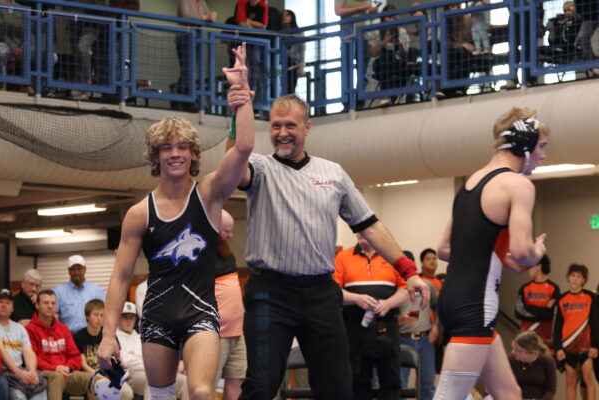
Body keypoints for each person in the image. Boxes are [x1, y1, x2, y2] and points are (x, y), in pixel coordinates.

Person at [226, 89, 429, 400]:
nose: (282, 133)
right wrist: (238, 110)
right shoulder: (261, 167)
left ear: (307, 127)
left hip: (321, 294)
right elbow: (234, 166)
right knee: (261, 386)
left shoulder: (332, 173)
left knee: (337, 388)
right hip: (271, 294)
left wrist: (409, 270)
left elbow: (370, 226)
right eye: (276, 126)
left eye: (290, 126)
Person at [97, 42, 254, 400]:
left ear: (193, 153)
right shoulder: (139, 213)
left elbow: (243, 148)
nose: (175, 154)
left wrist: (241, 94)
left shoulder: (210, 194)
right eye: (166, 148)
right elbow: (121, 276)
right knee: (163, 394)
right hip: (156, 316)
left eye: (182, 147)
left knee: (200, 391)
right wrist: (108, 336)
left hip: (201, 312)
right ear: (155, 156)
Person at [435, 107, 549, 400]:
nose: (543, 156)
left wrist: (500, 257)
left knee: (509, 394)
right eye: (541, 147)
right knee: (449, 396)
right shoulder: (518, 185)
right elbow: (524, 252)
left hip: (454, 299)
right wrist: (537, 252)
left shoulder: (470, 184)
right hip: (476, 305)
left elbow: (445, 250)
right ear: (524, 144)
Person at [334, 233, 409, 400]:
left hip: (387, 325)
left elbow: (407, 288)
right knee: (357, 379)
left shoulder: (392, 255)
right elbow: (334, 291)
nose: (362, 236)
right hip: (354, 326)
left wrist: (389, 303)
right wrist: (356, 298)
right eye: (359, 233)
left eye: (366, 233)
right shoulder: (342, 257)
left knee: (391, 379)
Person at [25, 289, 97, 400]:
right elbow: (33, 358)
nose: (50, 306)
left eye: (53, 303)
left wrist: (68, 368)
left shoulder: (63, 328)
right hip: (45, 373)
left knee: (94, 379)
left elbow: (75, 355)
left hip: (66, 372)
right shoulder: (30, 329)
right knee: (57, 377)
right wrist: (55, 368)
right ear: (37, 305)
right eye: (46, 303)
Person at [116, 302, 189, 400]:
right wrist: (147, 363)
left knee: (185, 381)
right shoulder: (115, 337)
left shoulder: (140, 336)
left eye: (131, 317)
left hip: (153, 371)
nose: (129, 321)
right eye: (125, 317)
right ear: (119, 318)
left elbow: (153, 357)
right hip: (131, 374)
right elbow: (125, 361)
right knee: (153, 380)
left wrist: (137, 357)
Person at [398, 249, 440, 400]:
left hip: (425, 339)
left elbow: (437, 307)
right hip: (403, 339)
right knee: (400, 386)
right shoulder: (394, 288)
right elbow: (386, 316)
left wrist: (435, 326)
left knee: (427, 385)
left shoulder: (426, 285)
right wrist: (401, 319)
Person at [73, 299, 134, 400]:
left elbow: (116, 359)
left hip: (109, 374)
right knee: (102, 391)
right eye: (96, 315)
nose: (99, 318)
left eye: (102, 315)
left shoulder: (109, 335)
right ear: (87, 316)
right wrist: (98, 376)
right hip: (90, 375)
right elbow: (83, 364)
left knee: (127, 393)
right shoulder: (79, 336)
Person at [554, 263, 598, 400]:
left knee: (588, 379)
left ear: (584, 280)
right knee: (570, 381)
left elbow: (595, 323)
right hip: (568, 348)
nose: (575, 279)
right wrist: (558, 348)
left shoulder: (590, 297)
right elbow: (556, 326)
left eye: (579, 277)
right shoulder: (562, 298)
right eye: (572, 275)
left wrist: (595, 345)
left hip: (586, 348)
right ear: (568, 277)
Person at [214, 210, 246, 400]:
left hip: (236, 330)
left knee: (237, 378)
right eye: (226, 230)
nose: (231, 235)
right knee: (207, 383)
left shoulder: (226, 252)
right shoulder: (200, 253)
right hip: (216, 333)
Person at [0, 288, 47, 400]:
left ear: (12, 308)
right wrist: (18, 372)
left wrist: (32, 372)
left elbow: (28, 351)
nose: (4, 305)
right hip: (6, 373)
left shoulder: (20, 328)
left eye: (8, 303)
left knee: (40, 391)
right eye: (1, 302)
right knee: (19, 398)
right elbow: (1, 350)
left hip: (21, 371)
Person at [514, 254, 560, 349]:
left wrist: (529, 308)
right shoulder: (524, 288)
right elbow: (518, 312)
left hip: (545, 342)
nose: (526, 269)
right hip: (525, 341)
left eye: (530, 266)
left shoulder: (554, 288)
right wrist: (543, 311)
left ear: (539, 266)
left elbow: (551, 313)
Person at [53, 254, 106, 333]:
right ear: (69, 271)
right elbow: (51, 315)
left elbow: (106, 315)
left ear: (85, 270)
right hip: (67, 337)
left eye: (79, 269)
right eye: (73, 269)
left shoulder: (97, 291)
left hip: (91, 337)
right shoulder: (58, 292)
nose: (76, 272)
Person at [509, 330, 557, 400]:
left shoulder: (547, 360)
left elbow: (551, 389)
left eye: (518, 351)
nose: (513, 352)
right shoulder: (511, 359)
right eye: (513, 348)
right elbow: (503, 385)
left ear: (530, 351)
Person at [280, 9, 304, 95]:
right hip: (280, 62)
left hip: (293, 62)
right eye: (283, 15)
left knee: (291, 88)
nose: (284, 17)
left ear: (292, 17)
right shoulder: (279, 32)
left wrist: (301, 66)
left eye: (287, 15)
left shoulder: (298, 32)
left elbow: (301, 50)